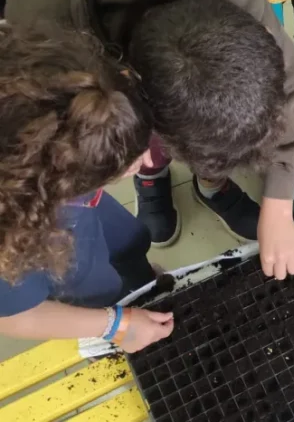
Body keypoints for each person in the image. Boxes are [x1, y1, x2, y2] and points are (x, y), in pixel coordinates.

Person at [5, 0, 294, 280]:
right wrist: (125, 157)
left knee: (212, 120)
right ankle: (151, 176)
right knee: (155, 135)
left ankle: (211, 185)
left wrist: (278, 203)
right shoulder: (46, 40)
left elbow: (287, 89)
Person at [0, 25, 173, 353]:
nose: (150, 159)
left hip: (75, 208)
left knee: (126, 244)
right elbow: (17, 317)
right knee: (92, 287)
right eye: (131, 165)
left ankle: (140, 283)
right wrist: (115, 324)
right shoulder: (10, 239)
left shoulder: (38, 120)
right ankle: (115, 304)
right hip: (50, 242)